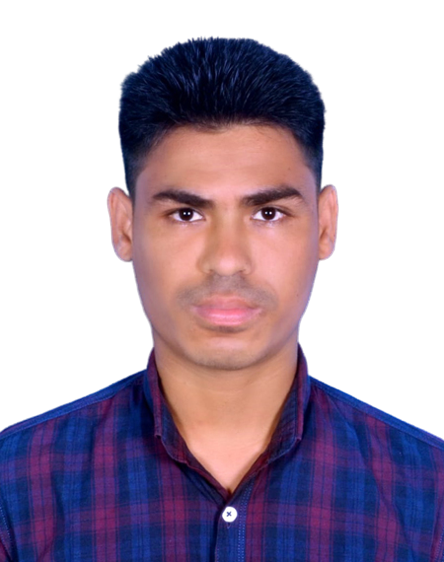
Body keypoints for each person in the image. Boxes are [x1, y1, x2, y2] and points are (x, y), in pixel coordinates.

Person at [0, 37, 443, 562]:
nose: (228, 260)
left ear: (325, 226)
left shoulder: (429, 497)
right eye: (186, 214)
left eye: (268, 213)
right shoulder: (16, 490)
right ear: (124, 226)